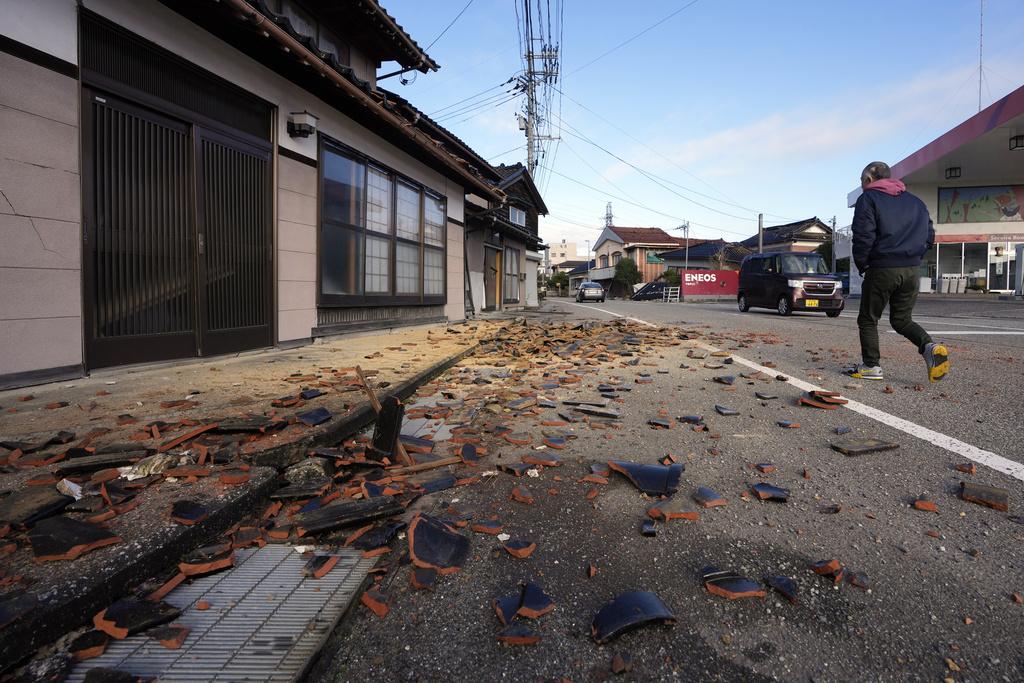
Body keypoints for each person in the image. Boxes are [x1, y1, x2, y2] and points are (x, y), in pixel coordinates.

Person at [846, 161, 949, 382]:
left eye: (862, 182)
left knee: (868, 319)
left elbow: (863, 235)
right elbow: (930, 235)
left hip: (883, 267)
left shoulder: (869, 199)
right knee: (902, 319)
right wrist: (915, 257)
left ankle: (871, 366)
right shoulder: (915, 202)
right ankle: (929, 347)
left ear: (868, 180)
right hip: (911, 269)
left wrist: (863, 264)